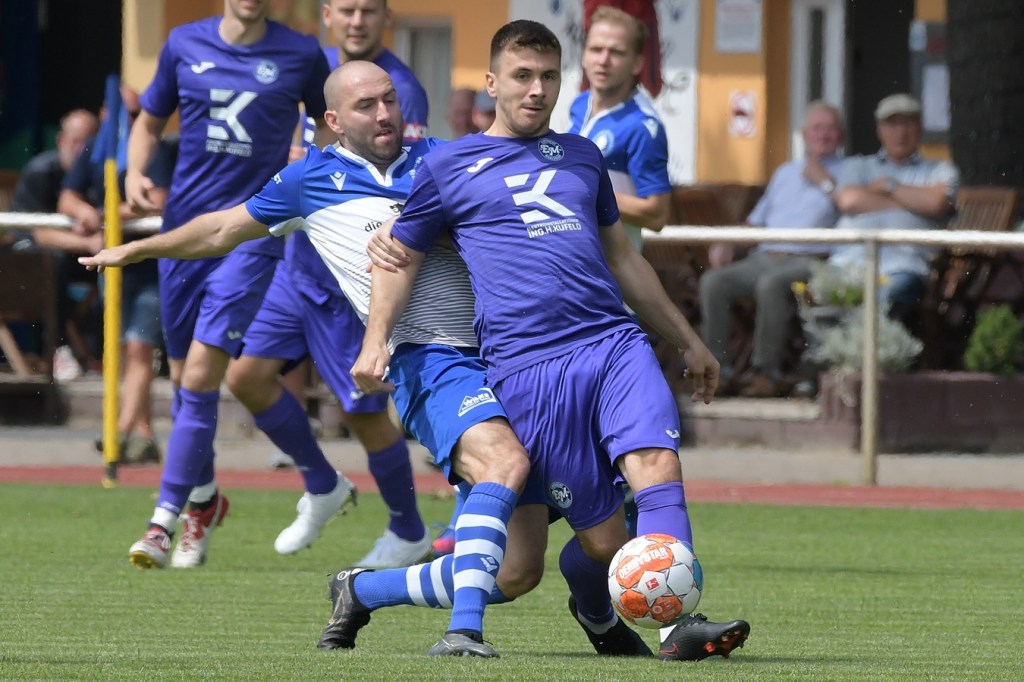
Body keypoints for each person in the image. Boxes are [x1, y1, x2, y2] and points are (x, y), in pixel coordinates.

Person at [82, 60, 532, 658]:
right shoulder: (309, 180)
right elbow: (220, 231)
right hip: (432, 359)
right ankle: (463, 632)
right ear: (333, 121)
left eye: (390, 100)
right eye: (367, 106)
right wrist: (140, 248)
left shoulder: (441, 158)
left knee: (523, 567)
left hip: (519, 352)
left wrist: (431, 229)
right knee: (501, 463)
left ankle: (364, 590)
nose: (384, 114)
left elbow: (509, 224)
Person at [350, 20, 750, 661]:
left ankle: (677, 627)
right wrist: (376, 343)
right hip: (528, 368)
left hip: (613, 342)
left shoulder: (583, 156)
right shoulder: (448, 165)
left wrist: (688, 340)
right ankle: (585, 602)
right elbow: (398, 257)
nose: (537, 90)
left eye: (548, 77)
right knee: (591, 546)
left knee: (658, 464)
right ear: (492, 83)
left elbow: (624, 259)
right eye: (522, 76)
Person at [223, 0, 440, 566]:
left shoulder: (400, 87)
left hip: (349, 279)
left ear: (386, 17)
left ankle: (408, 529)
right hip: (297, 266)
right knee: (246, 378)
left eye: (369, 10)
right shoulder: (309, 67)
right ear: (327, 16)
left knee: (363, 414)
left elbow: (405, 184)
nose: (357, 21)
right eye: (347, 9)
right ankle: (322, 484)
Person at [119, 0, 332, 570]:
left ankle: (161, 522)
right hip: (184, 235)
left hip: (252, 233)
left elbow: (329, 124)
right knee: (183, 383)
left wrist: (312, 163)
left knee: (199, 376)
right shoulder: (183, 44)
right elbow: (148, 121)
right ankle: (206, 502)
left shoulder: (300, 52)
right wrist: (135, 171)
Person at [57, 86, 173, 464]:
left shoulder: (154, 149)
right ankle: (144, 433)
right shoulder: (97, 148)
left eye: (136, 113)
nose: (129, 120)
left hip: (151, 263)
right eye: (123, 112)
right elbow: (67, 197)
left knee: (140, 347)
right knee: (121, 350)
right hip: (112, 264)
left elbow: (156, 201)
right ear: (105, 114)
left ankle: (118, 433)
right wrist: (84, 211)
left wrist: (104, 213)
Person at [700, 101, 846, 398]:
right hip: (766, 256)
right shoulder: (785, 172)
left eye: (830, 129)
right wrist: (728, 240)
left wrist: (825, 181)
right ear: (804, 134)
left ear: (841, 135)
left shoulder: (850, 172)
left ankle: (767, 372)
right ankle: (718, 371)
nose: (823, 134)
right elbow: (755, 223)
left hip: (813, 259)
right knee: (713, 282)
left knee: (771, 285)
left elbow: (851, 207)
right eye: (817, 128)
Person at [830, 93, 959, 323]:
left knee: (886, 299)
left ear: (919, 127)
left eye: (908, 123)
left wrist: (888, 186)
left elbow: (936, 203)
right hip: (848, 263)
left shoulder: (940, 169)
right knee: (818, 297)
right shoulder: (858, 166)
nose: (900, 132)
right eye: (892, 124)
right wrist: (912, 202)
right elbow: (848, 201)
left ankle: (864, 348)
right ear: (879, 129)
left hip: (905, 267)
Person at [567, 5, 671, 255]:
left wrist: (587, 190)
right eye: (596, 49)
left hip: (612, 270)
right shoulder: (579, 105)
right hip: (573, 262)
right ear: (584, 55)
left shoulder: (643, 126)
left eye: (616, 52)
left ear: (637, 63)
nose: (603, 60)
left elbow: (657, 214)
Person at [9, 109, 101, 375]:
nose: (81, 148)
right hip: (23, 264)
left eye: (88, 142)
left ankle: (103, 351)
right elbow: (40, 234)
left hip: (73, 257)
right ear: (60, 140)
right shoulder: (41, 171)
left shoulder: (95, 175)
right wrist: (89, 242)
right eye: (76, 140)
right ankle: (59, 349)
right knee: (54, 262)